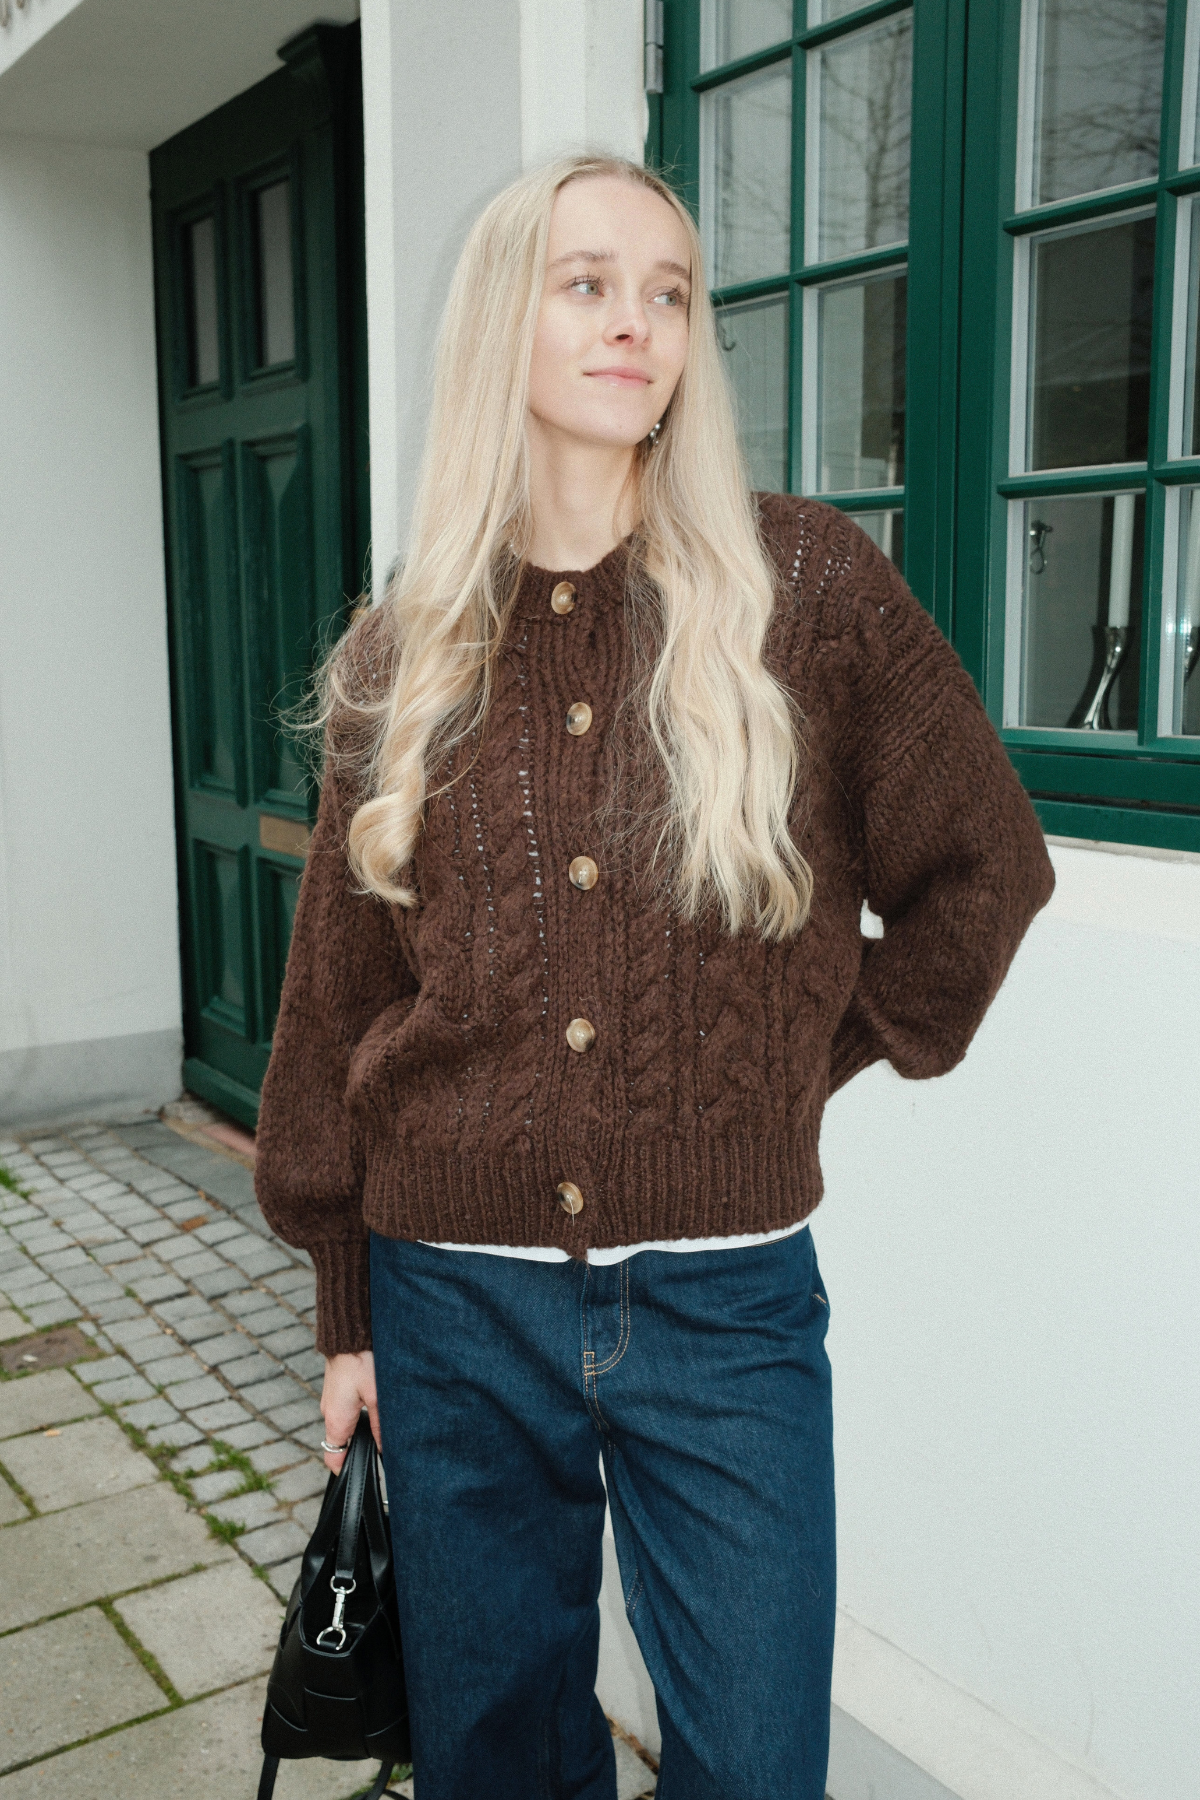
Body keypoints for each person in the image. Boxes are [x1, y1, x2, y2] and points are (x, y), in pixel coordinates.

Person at [255, 154, 1054, 1800]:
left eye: (670, 292)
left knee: (756, 1763)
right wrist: (348, 1313)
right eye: (589, 283)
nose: (638, 323)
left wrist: (798, 1060)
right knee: (494, 1759)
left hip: (724, 1304)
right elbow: (336, 1000)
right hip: (451, 1303)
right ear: (506, 320)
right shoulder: (405, 653)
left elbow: (986, 866)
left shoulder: (802, 591)